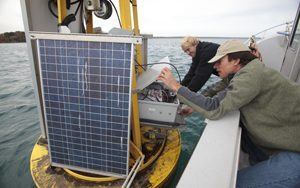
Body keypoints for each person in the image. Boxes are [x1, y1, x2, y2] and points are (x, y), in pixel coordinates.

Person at [158, 40, 300, 188]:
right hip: (282, 144)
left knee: (233, 184)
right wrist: (193, 106)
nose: (215, 66)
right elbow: (219, 90)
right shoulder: (247, 71)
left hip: (295, 152)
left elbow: (214, 109)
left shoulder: (250, 76)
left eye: (219, 61)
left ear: (236, 60)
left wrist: (176, 86)